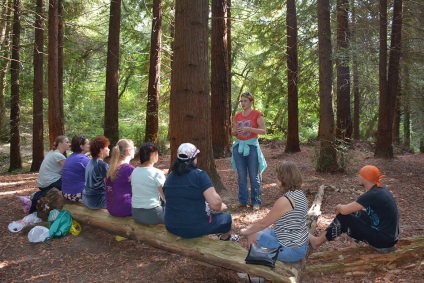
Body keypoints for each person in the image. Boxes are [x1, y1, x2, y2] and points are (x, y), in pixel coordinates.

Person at [309, 165, 400, 254]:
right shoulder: (379, 190)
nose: (358, 176)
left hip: (383, 242)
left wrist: (338, 206)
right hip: (388, 239)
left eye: (360, 174)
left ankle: (316, 242)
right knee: (355, 212)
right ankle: (354, 243)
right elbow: (351, 209)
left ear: (366, 178)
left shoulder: (372, 195)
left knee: (344, 218)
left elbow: (344, 210)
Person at [163, 143, 239, 241]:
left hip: (171, 225)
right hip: (196, 227)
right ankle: (225, 239)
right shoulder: (199, 175)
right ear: (194, 158)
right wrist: (220, 206)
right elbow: (215, 204)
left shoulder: (170, 176)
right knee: (226, 218)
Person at [240, 161, 309, 262]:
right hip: (297, 244)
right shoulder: (300, 195)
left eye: (277, 178)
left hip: (290, 249)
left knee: (251, 234)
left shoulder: (286, 200)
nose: (276, 181)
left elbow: (263, 223)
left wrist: (245, 232)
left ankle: (256, 272)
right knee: (253, 229)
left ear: (283, 180)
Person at [231, 92, 267, 210]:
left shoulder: (257, 114)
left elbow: (263, 131)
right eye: (241, 101)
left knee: (253, 175)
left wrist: (249, 129)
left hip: (251, 147)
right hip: (239, 147)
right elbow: (232, 132)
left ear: (251, 102)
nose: (243, 103)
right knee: (241, 175)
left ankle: (256, 201)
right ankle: (243, 200)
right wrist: (237, 131)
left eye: (245, 101)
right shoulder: (237, 116)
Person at [29, 135, 70, 213]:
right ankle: (38, 195)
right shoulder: (58, 155)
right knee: (71, 186)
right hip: (49, 182)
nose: (69, 144)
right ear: (60, 144)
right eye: (67, 142)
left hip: (43, 183)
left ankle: (41, 194)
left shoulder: (52, 152)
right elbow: (69, 170)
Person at [131, 142, 166, 224]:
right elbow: (164, 197)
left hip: (135, 213)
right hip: (152, 214)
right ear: (153, 154)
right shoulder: (157, 173)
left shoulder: (134, 171)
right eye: (157, 153)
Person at [105, 139, 135, 217]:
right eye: (134, 148)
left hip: (111, 208)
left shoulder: (111, 167)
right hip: (125, 209)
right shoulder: (129, 169)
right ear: (128, 151)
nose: (135, 149)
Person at [82, 136, 110, 209]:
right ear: (101, 150)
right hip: (96, 201)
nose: (109, 149)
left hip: (86, 198)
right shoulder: (102, 165)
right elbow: (109, 184)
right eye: (107, 147)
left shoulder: (90, 162)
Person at [61, 135, 90, 202]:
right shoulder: (82, 159)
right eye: (88, 144)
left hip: (66, 193)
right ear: (81, 146)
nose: (90, 145)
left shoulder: (71, 157)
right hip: (75, 194)